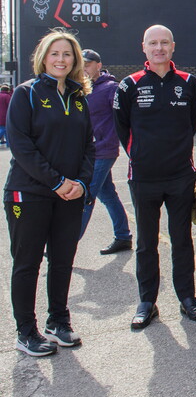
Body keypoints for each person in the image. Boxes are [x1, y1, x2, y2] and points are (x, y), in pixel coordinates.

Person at [4, 30, 94, 356]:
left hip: (69, 195)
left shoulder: (78, 96)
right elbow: (21, 145)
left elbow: (88, 146)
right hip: (29, 194)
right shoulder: (25, 93)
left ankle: (58, 321)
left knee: (63, 261)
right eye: (55, 53)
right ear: (43, 57)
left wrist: (81, 183)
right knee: (27, 263)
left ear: (75, 60)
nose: (61, 59)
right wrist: (56, 182)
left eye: (67, 54)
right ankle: (26, 331)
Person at [114, 25, 196, 329]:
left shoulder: (189, 83)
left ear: (173, 46)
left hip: (180, 176)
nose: (159, 48)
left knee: (182, 240)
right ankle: (147, 302)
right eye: (153, 43)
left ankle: (187, 298)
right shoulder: (129, 85)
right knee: (146, 243)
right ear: (144, 47)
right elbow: (122, 129)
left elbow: (192, 123)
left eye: (164, 42)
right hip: (143, 178)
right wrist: (142, 156)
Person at [78, 49, 134, 255]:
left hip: (103, 152)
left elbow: (124, 119)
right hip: (87, 152)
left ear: (98, 65)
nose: (83, 68)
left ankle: (66, 243)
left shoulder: (111, 88)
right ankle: (123, 236)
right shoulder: (82, 88)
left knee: (86, 195)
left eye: (88, 63)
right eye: (81, 64)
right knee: (107, 194)